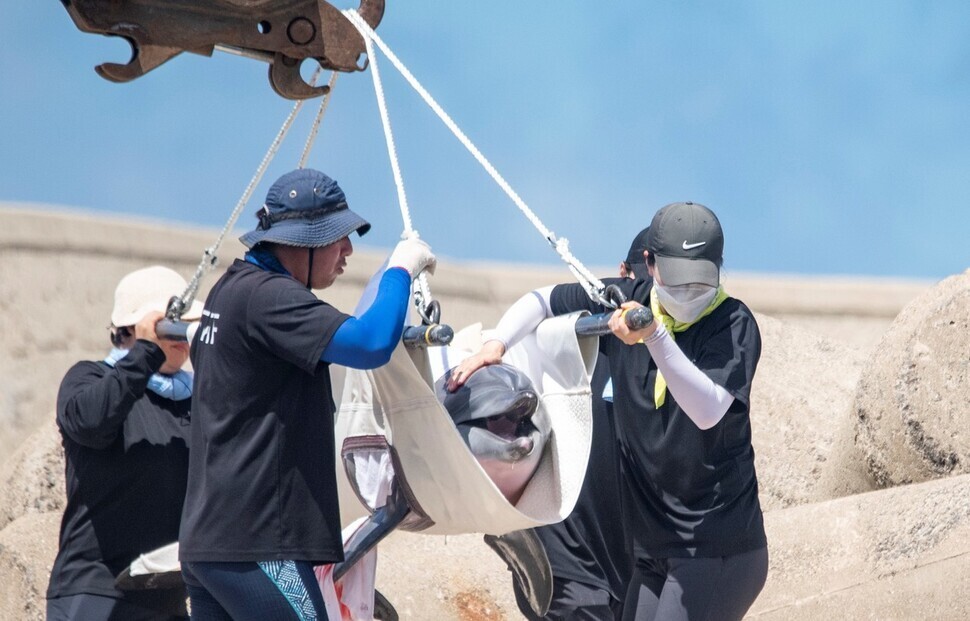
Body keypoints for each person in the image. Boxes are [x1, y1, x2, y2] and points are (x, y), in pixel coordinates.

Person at [451, 203, 768, 621]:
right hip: (655, 547)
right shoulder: (627, 299)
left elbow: (707, 409)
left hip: (715, 547)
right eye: (677, 278)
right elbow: (542, 300)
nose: (689, 291)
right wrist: (497, 345)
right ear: (650, 266)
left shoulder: (733, 323)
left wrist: (652, 334)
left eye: (702, 279)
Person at [178, 168, 436, 620]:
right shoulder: (270, 297)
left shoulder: (231, 291)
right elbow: (370, 343)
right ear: (303, 241)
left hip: (210, 544)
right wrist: (401, 270)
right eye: (337, 238)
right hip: (258, 546)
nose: (348, 250)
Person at [506, 228, 650, 621]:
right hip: (567, 559)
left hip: (621, 570)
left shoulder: (674, 356)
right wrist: (495, 346)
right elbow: (538, 301)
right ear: (624, 274)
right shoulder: (585, 333)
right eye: (643, 282)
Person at [47, 266, 204, 621]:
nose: (180, 335)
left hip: (168, 598)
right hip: (96, 595)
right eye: (172, 324)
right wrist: (147, 352)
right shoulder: (89, 378)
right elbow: (90, 422)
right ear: (133, 328)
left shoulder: (197, 399)